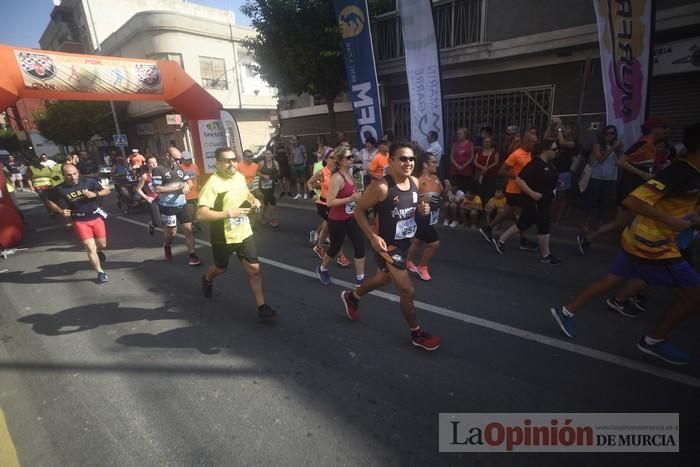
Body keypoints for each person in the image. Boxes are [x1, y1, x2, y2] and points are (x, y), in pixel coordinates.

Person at [551, 123, 700, 366]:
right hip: (653, 244)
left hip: (642, 238)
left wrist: (690, 220)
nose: (664, 131)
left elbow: (680, 208)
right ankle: (653, 341)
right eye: (661, 127)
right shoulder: (679, 170)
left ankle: (566, 311)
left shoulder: (690, 172)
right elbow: (633, 200)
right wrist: (671, 220)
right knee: (694, 297)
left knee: (612, 280)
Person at [339, 141, 441, 351]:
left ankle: (353, 296)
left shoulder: (414, 182)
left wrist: (421, 210)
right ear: (392, 161)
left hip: (404, 243)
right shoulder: (381, 187)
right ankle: (416, 332)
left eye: (411, 159)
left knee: (383, 278)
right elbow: (359, 211)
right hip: (387, 247)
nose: (408, 162)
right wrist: (372, 238)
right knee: (407, 290)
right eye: (402, 158)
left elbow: (409, 210)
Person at [197, 147, 278, 322]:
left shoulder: (239, 177)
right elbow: (201, 214)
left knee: (255, 270)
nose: (232, 163)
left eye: (234, 159)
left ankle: (262, 307)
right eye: (227, 160)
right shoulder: (212, 184)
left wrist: (254, 200)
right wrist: (228, 214)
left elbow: (246, 193)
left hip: (244, 231)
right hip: (223, 235)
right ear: (217, 163)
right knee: (220, 268)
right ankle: (207, 278)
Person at [577, 116, 671, 255]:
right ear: (653, 129)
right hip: (631, 189)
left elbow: (632, 162)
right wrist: (643, 174)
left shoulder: (649, 145)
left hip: (631, 188)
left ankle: (587, 239)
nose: (666, 130)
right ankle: (637, 252)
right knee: (640, 221)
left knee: (620, 222)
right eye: (663, 127)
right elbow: (621, 162)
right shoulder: (643, 144)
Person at [492, 140, 562, 265]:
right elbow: (519, 180)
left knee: (524, 223)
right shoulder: (534, 164)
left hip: (546, 199)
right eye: (554, 149)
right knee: (544, 226)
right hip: (535, 201)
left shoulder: (550, 164)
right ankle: (546, 255)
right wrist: (532, 194)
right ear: (545, 150)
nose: (556, 151)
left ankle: (501, 240)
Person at [45, 164, 111, 282]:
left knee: (102, 244)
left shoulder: (88, 182)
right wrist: (60, 211)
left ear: (78, 172)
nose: (73, 177)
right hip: (80, 220)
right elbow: (49, 200)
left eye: (75, 173)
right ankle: (100, 272)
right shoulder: (60, 189)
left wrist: (95, 194)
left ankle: (99, 250)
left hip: (95, 217)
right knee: (90, 248)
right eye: (69, 175)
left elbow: (107, 190)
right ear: (63, 175)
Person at [479, 132, 539, 251]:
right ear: (527, 142)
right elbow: (502, 171)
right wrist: (517, 177)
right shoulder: (516, 154)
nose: (536, 144)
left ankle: (488, 228)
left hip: (522, 190)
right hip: (514, 190)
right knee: (522, 215)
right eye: (534, 142)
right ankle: (521, 240)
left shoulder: (529, 153)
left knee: (510, 212)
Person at [316, 145, 366, 285]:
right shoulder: (337, 178)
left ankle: (360, 279)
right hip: (337, 220)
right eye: (348, 157)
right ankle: (322, 269)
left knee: (359, 245)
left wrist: (357, 198)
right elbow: (330, 202)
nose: (352, 159)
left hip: (350, 218)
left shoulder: (349, 173)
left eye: (352, 156)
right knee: (335, 248)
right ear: (340, 161)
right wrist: (350, 199)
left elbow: (352, 194)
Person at [152, 147, 201, 265]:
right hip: (167, 206)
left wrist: (187, 185)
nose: (179, 162)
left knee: (188, 231)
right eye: (176, 159)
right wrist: (175, 188)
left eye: (181, 159)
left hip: (182, 204)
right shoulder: (158, 170)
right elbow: (157, 188)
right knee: (172, 232)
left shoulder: (179, 168)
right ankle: (167, 246)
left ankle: (192, 256)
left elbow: (189, 181)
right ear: (168, 156)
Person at [406, 152, 442, 281]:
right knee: (434, 244)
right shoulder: (418, 181)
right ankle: (423, 267)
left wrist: (448, 190)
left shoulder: (436, 179)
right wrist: (421, 199)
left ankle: (408, 261)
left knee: (418, 240)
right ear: (425, 164)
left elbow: (441, 195)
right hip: (421, 217)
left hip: (432, 217)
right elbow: (409, 200)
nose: (436, 165)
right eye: (433, 162)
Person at [583, 125, 624, 232]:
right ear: (603, 135)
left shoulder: (618, 147)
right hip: (596, 176)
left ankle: (600, 224)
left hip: (610, 178)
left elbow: (622, 160)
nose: (610, 136)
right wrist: (612, 148)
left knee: (605, 202)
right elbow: (601, 159)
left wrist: (618, 149)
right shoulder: (598, 145)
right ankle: (586, 223)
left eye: (612, 133)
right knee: (591, 200)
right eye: (607, 134)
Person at [544, 119, 578, 224]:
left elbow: (563, 144)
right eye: (565, 128)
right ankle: (550, 217)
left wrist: (559, 128)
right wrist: (551, 126)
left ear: (573, 131)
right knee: (552, 196)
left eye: (568, 128)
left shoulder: (573, 142)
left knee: (561, 197)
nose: (565, 129)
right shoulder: (557, 139)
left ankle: (557, 219)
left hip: (564, 172)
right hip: (553, 171)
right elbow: (545, 139)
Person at [134, 155, 162, 235]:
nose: (154, 164)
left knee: (168, 219)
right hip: (153, 200)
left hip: (163, 198)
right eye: (151, 163)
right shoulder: (145, 176)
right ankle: (152, 224)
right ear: (147, 164)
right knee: (158, 223)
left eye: (155, 162)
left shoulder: (161, 173)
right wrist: (146, 197)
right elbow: (138, 189)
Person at [257, 149, 280, 227]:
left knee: (266, 202)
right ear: (264, 155)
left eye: (269, 154)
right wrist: (263, 176)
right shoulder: (261, 163)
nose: (268, 155)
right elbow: (256, 172)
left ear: (272, 155)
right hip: (263, 185)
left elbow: (277, 173)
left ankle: (262, 215)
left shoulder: (276, 163)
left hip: (272, 185)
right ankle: (273, 219)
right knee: (272, 200)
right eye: (266, 154)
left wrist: (276, 180)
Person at [473, 135, 500, 201]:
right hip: (481, 174)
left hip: (492, 175)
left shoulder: (495, 152)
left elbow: (496, 162)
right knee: (480, 191)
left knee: (490, 191)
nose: (486, 143)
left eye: (488, 142)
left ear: (491, 143)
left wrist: (487, 168)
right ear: (482, 143)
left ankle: (488, 208)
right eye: (485, 142)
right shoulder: (479, 152)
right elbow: (475, 162)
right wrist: (482, 167)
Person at [180, 151, 201, 231]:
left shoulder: (194, 166)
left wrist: (199, 185)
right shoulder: (180, 168)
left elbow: (198, 176)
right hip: (187, 194)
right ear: (182, 159)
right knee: (189, 211)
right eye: (187, 160)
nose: (189, 161)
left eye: (190, 159)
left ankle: (196, 223)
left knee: (196, 209)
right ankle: (191, 225)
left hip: (196, 192)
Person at [448, 128, 474, 192]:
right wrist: (457, 166)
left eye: (460, 134)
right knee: (457, 187)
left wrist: (463, 166)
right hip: (456, 169)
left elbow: (472, 157)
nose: (458, 135)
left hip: (466, 169)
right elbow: (451, 157)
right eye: (457, 134)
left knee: (466, 186)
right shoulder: (454, 144)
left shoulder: (470, 144)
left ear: (465, 134)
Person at [290, 135, 307, 199]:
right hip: (295, 165)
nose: (293, 141)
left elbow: (305, 155)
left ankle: (305, 193)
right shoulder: (292, 148)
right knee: (297, 180)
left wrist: (304, 163)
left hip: (301, 164)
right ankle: (299, 193)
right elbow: (291, 156)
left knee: (304, 180)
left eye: (294, 139)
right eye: (293, 140)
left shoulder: (302, 147)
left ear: (298, 140)